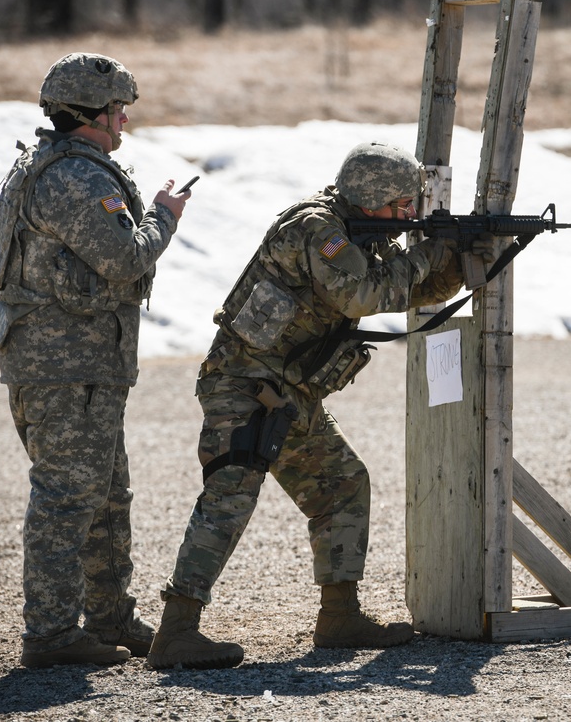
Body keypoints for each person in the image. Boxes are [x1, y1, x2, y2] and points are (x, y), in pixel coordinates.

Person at [147, 141, 483, 670]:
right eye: (402, 205)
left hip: (286, 390)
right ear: (373, 199)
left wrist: (460, 259)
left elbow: (405, 291)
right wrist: (429, 252)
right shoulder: (316, 229)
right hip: (244, 385)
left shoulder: (361, 235)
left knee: (343, 484)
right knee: (230, 495)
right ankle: (176, 632)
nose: (409, 214)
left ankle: (339, 617)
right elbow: (363, 298)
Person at [0, 52, 192, 669]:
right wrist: (164, 218)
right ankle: (51, 636)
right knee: (68, 497)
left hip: (76, 366)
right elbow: (126, 258)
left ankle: (108, 618)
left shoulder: (52, 167)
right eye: (117, 109)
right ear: (90, 115)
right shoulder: (77, 177)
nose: (124, 119)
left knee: (105, 494)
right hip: (67, 367)